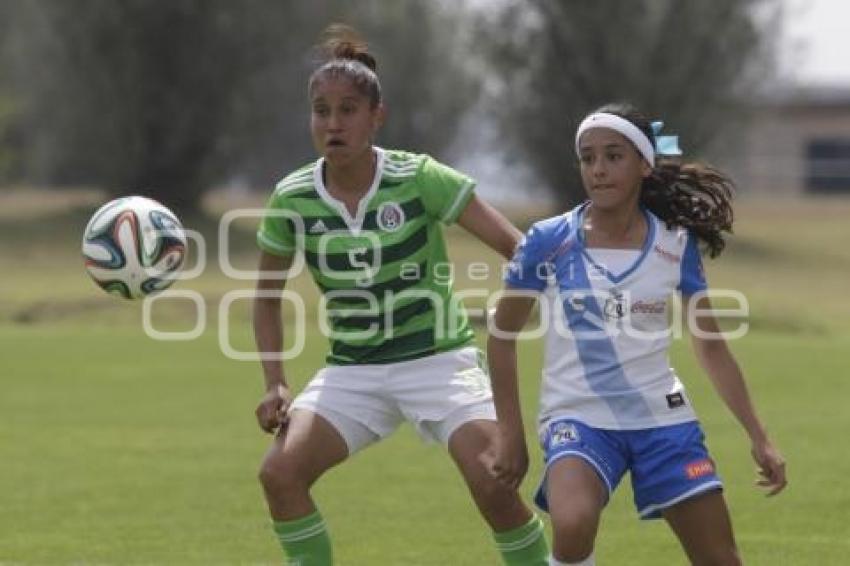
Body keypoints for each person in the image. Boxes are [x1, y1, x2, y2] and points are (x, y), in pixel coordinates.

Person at [252, 25, 549, 565]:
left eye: (347, 110)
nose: (332, 123)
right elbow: (265, 296)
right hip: (352, 371)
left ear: (376, 117)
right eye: (321, 111)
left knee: (494, 483)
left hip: (438, 361)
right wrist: (275, 381)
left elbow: (519, 248)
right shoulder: (292, 197)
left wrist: (559, 294)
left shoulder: (419, 177)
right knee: (279, 474)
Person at [485, 103, 787, 566]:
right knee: (572, 523)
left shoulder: (676, 242)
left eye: (613, 156)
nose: (598, 170)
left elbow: (710, 345)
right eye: (588, 158)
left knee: (721, 559)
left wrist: (759, 436)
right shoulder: (548, 239)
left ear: (645, 163)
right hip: (578, 418)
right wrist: (511, 432)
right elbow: (502, 334)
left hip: (663, 420)